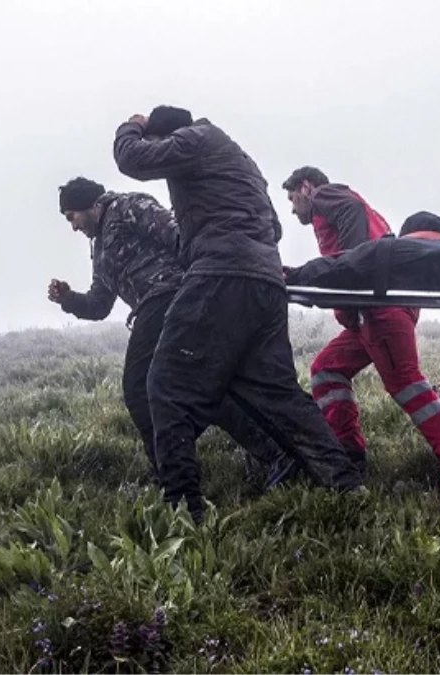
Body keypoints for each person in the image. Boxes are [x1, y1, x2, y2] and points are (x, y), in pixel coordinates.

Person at [112, 106, 365, 523]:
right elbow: (275, 228)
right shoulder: (240, 161)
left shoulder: (194, 139)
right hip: (263, 282)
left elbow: (132, 160)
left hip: (220, 276)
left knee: (164, 385)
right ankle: (346, 485)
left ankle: (182, 510)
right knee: (278, 394)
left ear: (168, 135)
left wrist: (132, 127)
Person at [50, 177, 298, 489]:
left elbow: (180, 237)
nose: (73, 227)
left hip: (173, 295)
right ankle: (277, 454)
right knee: (203, 388)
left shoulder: (129, 206)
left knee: (139, 386)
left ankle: (171, 478)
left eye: (72, 217)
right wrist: (69, 299)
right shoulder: (99, 248)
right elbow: (100, 304)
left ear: (90, 205)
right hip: (153, 306)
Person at [280, 166, 440, 494]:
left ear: (306, 187)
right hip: (372, 310)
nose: (293, 209)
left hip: (381, 308)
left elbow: (354, 252)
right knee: (326, 369)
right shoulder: (350, 212)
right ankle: (349, 454)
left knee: (405, 382)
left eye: (293, 198)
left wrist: (350, 263)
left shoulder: (327, 196)